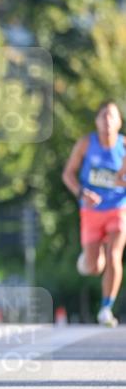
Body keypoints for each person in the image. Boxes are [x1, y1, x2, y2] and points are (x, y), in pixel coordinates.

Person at [62, 100, 126, 327]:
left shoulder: (124, 147)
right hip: (91, 212)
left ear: (119, 122)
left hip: (118, 209)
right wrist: (82, 193)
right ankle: (89, 259)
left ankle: (106, 308)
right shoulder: (86, 144)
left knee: (114, 256)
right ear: (97, 121)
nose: (107, 121)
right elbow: (68, 174)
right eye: (103, 116)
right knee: (94, 267)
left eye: (112, 116)